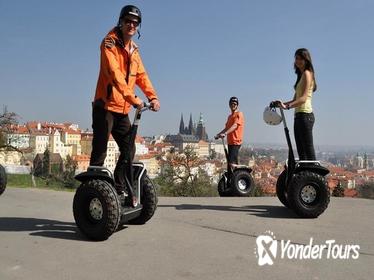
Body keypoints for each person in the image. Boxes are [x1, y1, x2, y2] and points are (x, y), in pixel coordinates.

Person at [90, 5, 160, 207]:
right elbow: (115, 76)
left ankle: (118, 186)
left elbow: (141, 76)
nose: (131, 25)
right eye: (128, 21)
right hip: (105, 106)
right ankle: (95, 194)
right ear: (120, 22)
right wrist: (134, 99)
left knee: (129, 149)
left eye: (135, 23)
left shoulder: (134, 50)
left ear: (139, 27)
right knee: (100, 152)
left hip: (122, 110)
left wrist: (153, 97)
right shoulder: (109, 43)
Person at [275, 48, 317, 160]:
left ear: (306, 60)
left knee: (308, 151)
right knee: (301, 152)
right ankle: (304, 176)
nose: (297, 61)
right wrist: (281, 104)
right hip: (298, 116)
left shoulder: (308, 74)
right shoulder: (301, 76)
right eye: (296, 58)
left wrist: (287, 107)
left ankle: (314, 176)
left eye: (300, 58)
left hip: (305, 116)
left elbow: (303, 99)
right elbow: (295, 99)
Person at [215, 97, 244, 167]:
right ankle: (232, 176)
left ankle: (238, 176)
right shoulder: (230, 117)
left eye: (234, 104)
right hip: (230, 142)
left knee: (232, 163)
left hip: (236, 142)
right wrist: (218, 135)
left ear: (237, 105)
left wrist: (225, 133)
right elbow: (226, 128)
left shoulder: (239, 114)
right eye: (231, 104)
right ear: (229, 105)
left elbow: (235, 125)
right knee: (229, 163)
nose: (233, 105)